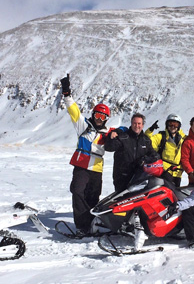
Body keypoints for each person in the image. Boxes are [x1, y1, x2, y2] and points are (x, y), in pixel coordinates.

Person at [60, 74, 113, 236]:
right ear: (93, 115)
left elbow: (125, 132)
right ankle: (81, 226)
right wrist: (67, 94)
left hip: (96, 169)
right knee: (77, 192)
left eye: (102, 117)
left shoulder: (108, 132)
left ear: (106, 119)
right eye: (97, 115)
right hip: (82, 165)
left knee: (93, 197)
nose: (99, 119)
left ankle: (92, 223)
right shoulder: (83, 126)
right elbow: (73, 110)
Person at [105, 113, 159, 193]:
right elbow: (109, 147)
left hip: (139, 178)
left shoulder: (146, 140)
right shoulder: (123, 137)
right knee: (120, 202)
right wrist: (111, 136)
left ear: (143, 125)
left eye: (139, 123)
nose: (137, 126)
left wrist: (146, 159)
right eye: (134, 123)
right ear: (131, 124)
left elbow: (155, 155)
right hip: (122, 177)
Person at [145, 113, 186, 187]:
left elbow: (193, 142)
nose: (173, 127)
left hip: (178, 173)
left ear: (179, 126)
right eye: (170, 124)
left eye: (175, 124)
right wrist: (150, 130)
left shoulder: (183, 139)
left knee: (175, 196)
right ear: (167, 125)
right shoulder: (161, 137)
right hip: (164, 171)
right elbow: (147, 141)